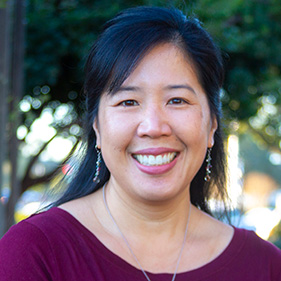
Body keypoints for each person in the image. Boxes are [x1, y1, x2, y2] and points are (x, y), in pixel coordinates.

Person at [0, 6, 280, 281]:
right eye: (128, 102)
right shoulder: (35, 252)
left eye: (177, 100)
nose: (153, 127)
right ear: (97, 127)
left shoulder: (264, 266)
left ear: (212, 126)